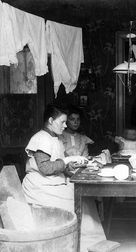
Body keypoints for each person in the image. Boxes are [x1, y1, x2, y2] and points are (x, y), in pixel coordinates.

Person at [22, 103, 106, 251]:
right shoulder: (41, 138)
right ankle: (84, 244)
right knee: (80, 199)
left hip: (53, 182)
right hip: (40, 188)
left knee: (85, 198)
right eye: (62, 122)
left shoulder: (56, 138)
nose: (65, 125)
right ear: (50, 121)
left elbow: (58, 164)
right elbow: (46, 168)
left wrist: (71, 166)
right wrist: (66, 161)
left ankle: (91, 244)